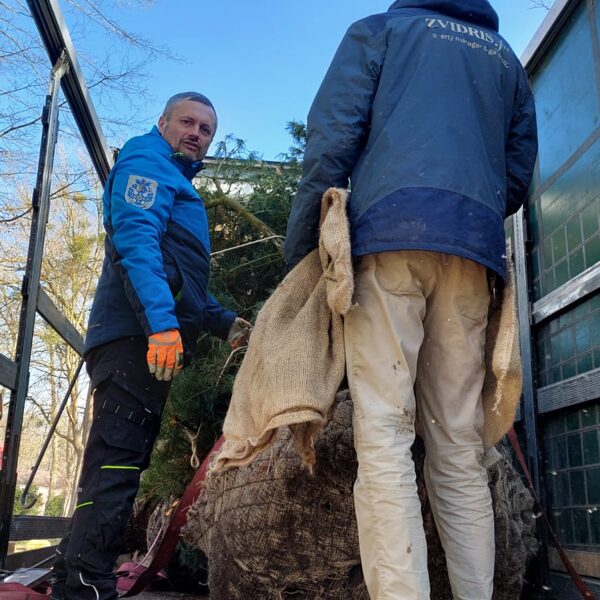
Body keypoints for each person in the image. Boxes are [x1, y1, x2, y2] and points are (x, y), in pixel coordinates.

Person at [284, 1, 537, 598]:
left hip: (387, 240)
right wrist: (463, 217)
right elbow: (517, 175)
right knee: (459, 446)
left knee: (384, 435)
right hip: (471, 252)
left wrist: (300, 254)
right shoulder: (504, 58)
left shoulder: (381, 31)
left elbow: (331, 142)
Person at [51, 92, 252, 600]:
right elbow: (136, 242)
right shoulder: (147, 161)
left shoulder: (172, 177)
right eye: (187, 121)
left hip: (141, 335)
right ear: (162, 123)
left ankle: (72, 572)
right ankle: (88, 587)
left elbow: (179, 278)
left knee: (116, 459)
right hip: (135, 337)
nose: (196, 133)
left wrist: (225, 323)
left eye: (206, 129)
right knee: (118, 463)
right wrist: (161, 327)